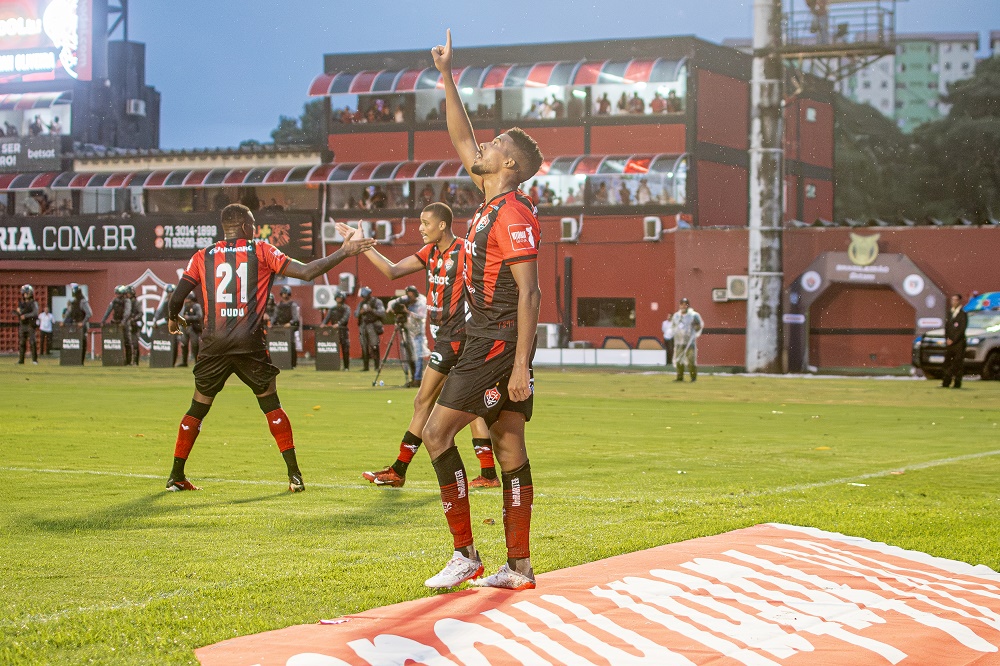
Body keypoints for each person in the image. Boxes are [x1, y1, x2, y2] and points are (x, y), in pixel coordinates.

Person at [421, 30, 543, 591]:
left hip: (493, 341)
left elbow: (532, 293)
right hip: (489, 338)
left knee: (437, 434)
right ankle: (517, 567)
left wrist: (519, 365)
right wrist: (447, 74)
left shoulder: (513, 212)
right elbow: (461, 138)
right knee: (508, 443)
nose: (482, 148)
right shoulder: (494, 201)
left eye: (494, 144)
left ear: (510, 163)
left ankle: (465, 554)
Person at [163, 203, 374, 493]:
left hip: (214, 344)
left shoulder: (203, 255)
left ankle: (176, 476)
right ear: (248, 227)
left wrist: (174, 319)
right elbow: (308, 272)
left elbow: (176, 298)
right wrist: (344, 252)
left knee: (198, 407)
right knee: (271, 405)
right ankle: (294, 476)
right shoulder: (260, 249)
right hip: (249, 342)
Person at [350, 203, 500, 489]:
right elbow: (392, 271)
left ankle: (398, 470)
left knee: (422, 401)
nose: (420, 228)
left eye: (425, 223)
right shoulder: (430, 252)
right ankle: (489, 474)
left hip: (457, 337)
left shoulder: (465, 250)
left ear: (442, 225)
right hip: (446, 335)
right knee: (469, 407)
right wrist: (362, 246)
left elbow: (490, 281)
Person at [671, 297, 703, 382]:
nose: (683, 306)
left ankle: (693, 378)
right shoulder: (676, 316)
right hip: (679, 342)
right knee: (678, 361)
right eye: (682, 304)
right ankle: (680, 377)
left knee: (691, 361)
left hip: (690, 342)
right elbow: (673, 326)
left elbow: (699, 326)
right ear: (680, 305)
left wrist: (695, 329)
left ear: (688, 306)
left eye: (685, 304)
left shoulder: (693, 315)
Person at [355, 286, 385, 371]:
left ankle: (376, 366)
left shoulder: (377, 302)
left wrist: (371, 310)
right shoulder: (361, 303)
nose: (364, 298)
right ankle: (366, 367)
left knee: (374, 345)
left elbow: (382, 313)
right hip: (363, 326)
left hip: (373, 325)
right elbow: (356, 314)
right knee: (364, 346)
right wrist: (360, 312)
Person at [941, 294, 968, 389]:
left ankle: (957, 383)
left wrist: (953, 340)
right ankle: (946, 382)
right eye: (952, 300)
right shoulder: (949, 313)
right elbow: (947, 328)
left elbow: (961, 330)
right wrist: (947, 338)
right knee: (947, 363)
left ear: (959, 301)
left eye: (955, 300)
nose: (953, 302)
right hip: (949, 343)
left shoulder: (962, 314)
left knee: (957, 364)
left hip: (959, 344)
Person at [320, 290, 351, 370]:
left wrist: (339, 324)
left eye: (340, 298)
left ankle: (346, 367)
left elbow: (345, 318)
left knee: (345, 348)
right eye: (337, 298)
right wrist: (323, 323)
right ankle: (332, 365)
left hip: (343, 330)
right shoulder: (332, 309)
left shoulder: (347, 308)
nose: (338, 299)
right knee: (332, 348)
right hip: (334, 331)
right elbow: (327, 318)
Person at [272, 285, 301, 368]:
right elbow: (275, 316)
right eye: (283, 293)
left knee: (291, 344)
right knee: (280, 345)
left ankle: (293, 364)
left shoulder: (293, 304)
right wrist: (272, 323)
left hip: (290, 328)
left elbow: (296, 318)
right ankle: (281, 362)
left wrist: (290, 323)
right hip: (281, 327)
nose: (285, 295)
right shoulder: (278, 305)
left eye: (286, 293)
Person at [101, 285, 132, 362]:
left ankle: (128, 360)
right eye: (116, 293)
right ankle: (115, 359)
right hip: (116, 322)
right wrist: (103, 320)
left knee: (127, 341)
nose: (117, 295)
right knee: (115, 341)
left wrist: (123, 322)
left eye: (118, 293)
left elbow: (127, 312)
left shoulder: (127, 301)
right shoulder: (114, 301)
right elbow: (108, 310)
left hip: (124, 324)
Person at [153, 284, 179, 366]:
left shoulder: (178, 302)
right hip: (166, 326)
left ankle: (172, 362)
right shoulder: (165, 302)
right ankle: (165, 361)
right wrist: (155, 321)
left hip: (176, 326)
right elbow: (159, 312)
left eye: (171, 293)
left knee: (175, 343)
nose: (169, 294)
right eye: (168, 293)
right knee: (166, 343)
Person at [178, 292, 203, 367]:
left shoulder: (196, 306)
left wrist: (190, 318)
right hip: (185, 326)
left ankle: (196, 361)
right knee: (184, 344)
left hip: (193, 327)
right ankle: (184, 361)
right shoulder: (185, 306)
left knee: (194, 344)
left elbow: (199, 316)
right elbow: (181, 315)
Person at [16, 285, 39, 364]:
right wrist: (18, 312)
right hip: (23, 325)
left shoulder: (33, 303)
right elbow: (20, 313)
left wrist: (25, 316)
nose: (25, 294)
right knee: (22, 343)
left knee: (32, 342)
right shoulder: (21, 304)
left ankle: (34, 360)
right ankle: (21, 360)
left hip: (30, 324)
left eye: (26, 293)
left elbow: (35, 313)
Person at [125, 285, 142, 365]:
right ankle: (128, 360)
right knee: (128, 343)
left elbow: (140, 313)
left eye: (128, 293)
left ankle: (135, 361)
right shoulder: (126, 301)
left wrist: (134, 319)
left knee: (134, 343)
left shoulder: (136, 302)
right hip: (127, 324)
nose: (127, 294)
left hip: (135, 324)